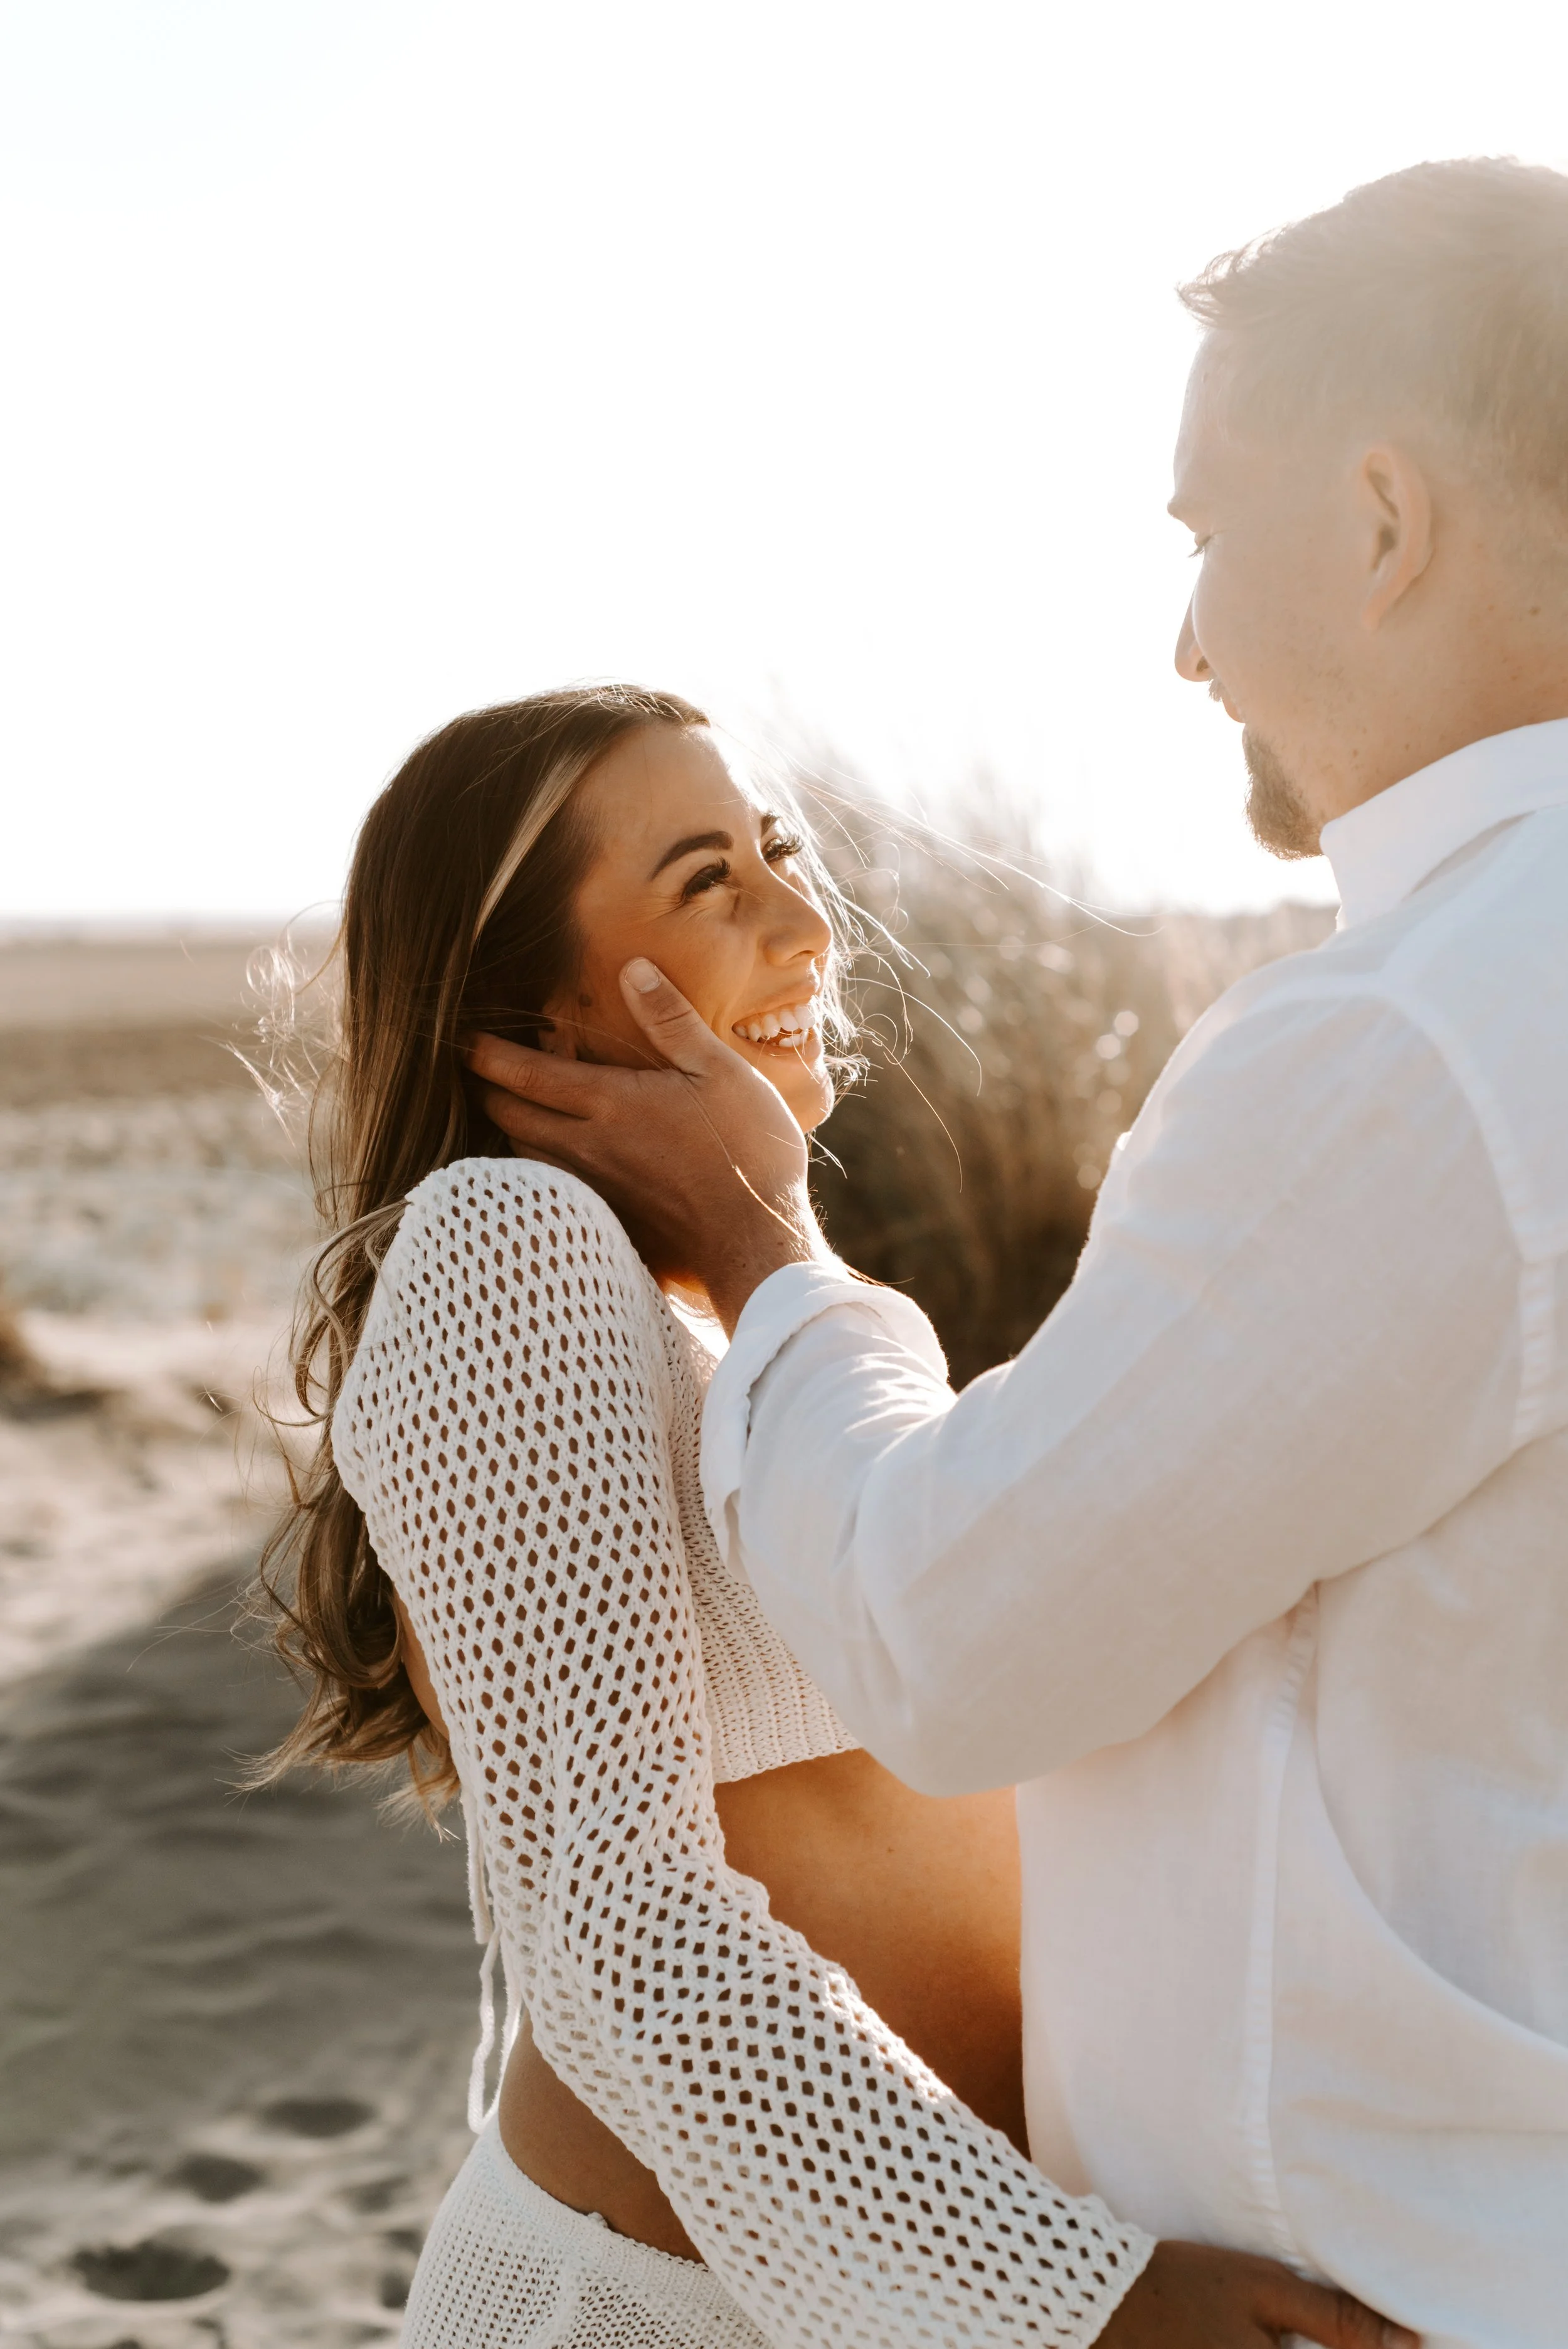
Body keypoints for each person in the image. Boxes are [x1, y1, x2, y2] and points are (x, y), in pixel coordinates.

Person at [470, 157, 1568, 2349]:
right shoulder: (500, 1265)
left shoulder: (1416, 1038)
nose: (1181, 641)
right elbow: (604, 1901)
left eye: (1197, 534)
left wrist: (774, 1255)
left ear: (1377, 521)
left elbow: (965, 1640)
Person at [253, 687, 1404, 2349]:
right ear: (534, 1008)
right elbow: (607, 1911)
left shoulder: (731, 1313)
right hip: (669, 2313)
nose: (804, 921)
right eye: (706, 880)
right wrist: (1071, 2300)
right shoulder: (505, 1247)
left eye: (782, 850)